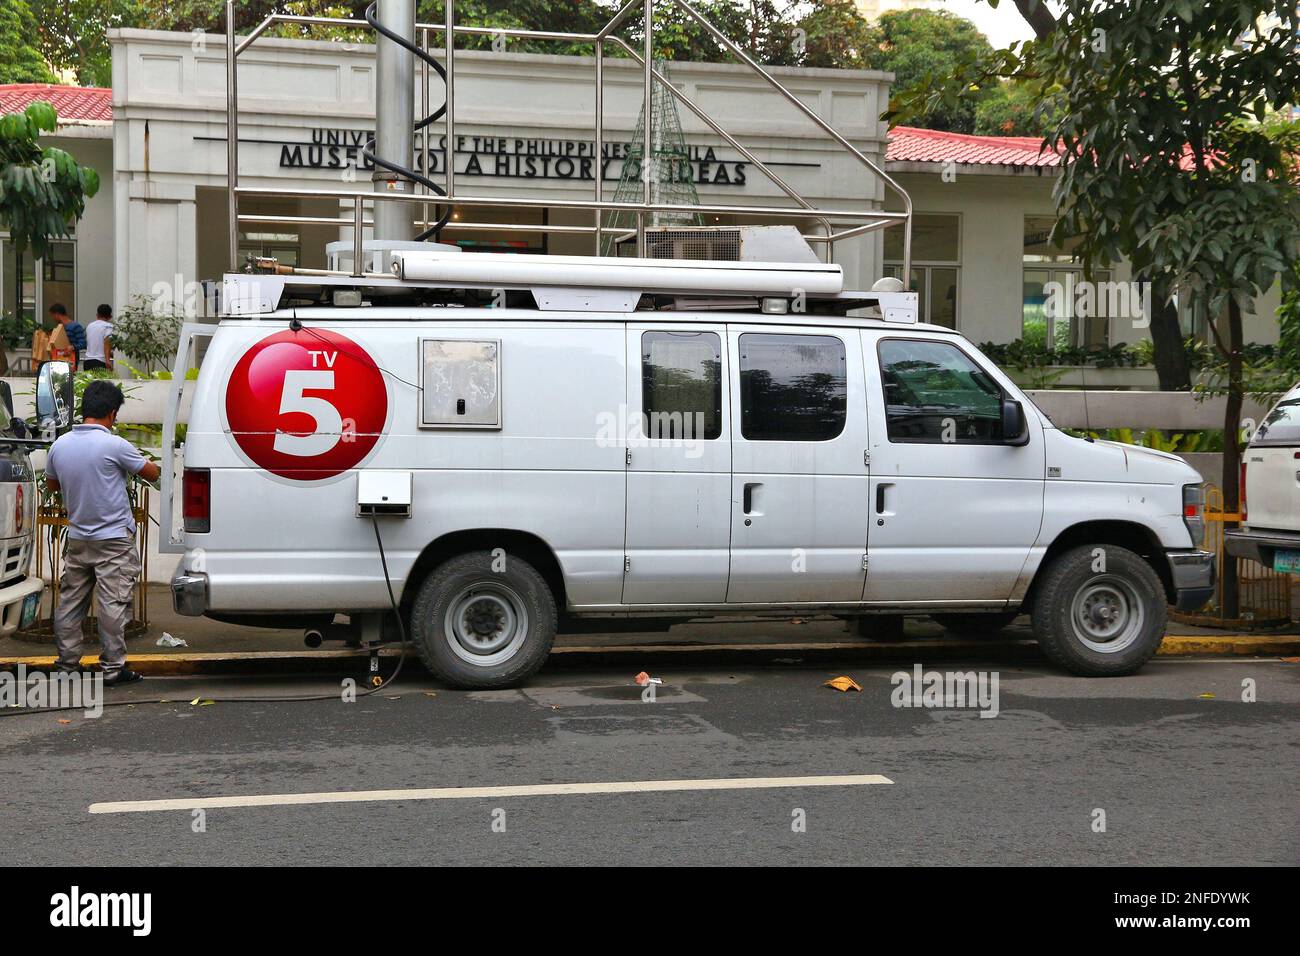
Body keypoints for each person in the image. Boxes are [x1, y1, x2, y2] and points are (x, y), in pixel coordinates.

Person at [46, 380, 162, 686]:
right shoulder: (115, 444)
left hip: (79, 538)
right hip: (113, 541)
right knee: (113, 603)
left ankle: (67, 666)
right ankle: (112, 669)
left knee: (71, 603)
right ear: (112, 413)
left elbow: (52, 485)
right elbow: (151, 473)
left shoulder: (60, 445)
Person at [48, 303, 86, 370]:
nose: (53, 318)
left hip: (71, 360)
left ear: (57, 314)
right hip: (58, 359)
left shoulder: (76, 326)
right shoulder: (58, 328)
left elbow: (83, 343)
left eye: (52, 315)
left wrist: (73, 347)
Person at [83, 304, 114, 371]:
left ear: (97, 315)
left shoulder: (90, 326)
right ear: (110, 316)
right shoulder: (108, 326)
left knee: (90, 381)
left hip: (87, 361)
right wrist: (108, 360)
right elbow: (107, 342)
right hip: (100, 361)